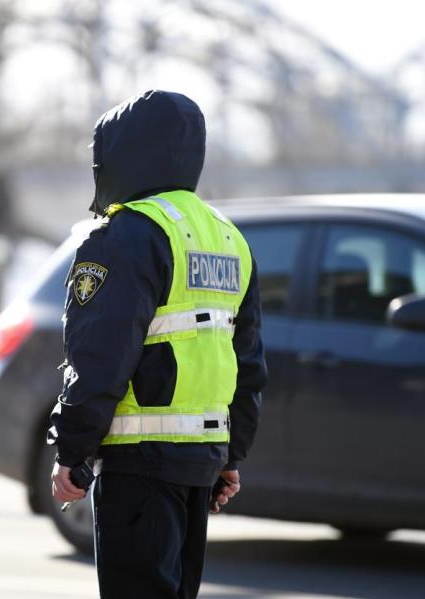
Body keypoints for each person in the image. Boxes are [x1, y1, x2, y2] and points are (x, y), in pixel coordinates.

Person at [48, 90, 267, 599]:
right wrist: (230, 454)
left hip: (139, 466)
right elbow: (247, 361)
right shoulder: (228, 238)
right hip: (199, 464)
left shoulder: (126, 236)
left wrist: (73, 451)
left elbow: (99, 358)